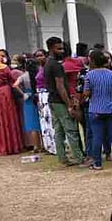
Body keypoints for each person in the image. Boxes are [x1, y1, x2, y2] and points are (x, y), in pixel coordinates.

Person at [44, 37, 86, 167]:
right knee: (71, 130)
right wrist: (69, 104)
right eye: (59, 48)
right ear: (51, 49)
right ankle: (80, 158)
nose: (62, 51)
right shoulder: (56, 65)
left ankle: (63, 158)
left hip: (53, 100)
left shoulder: (48, 63)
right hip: (60, 101)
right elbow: (60, 86)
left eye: (62, 48)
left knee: (59, 131)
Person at [82, 50, 112, 170]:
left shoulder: (89, 75)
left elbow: (86, 93)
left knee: (97, 137)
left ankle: (97, 163)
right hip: (111, 108)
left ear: (93, 61)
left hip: (95, 109)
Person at [13, 58, 44, 153]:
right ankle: (44, 144)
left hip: (28, 100)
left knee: (32, 125)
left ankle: (36, 146)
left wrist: (23, 94)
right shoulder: (38, 74)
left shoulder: (23, 76)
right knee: (41, 123)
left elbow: (15, 85)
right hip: (38, 98)